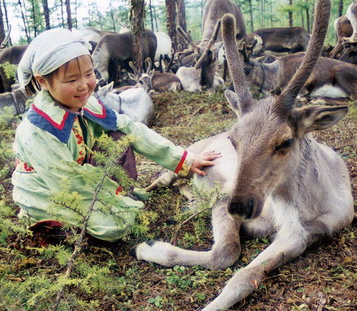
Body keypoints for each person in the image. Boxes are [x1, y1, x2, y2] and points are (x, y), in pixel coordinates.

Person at [12, 28, 221, 242]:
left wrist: (183, 159)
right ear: (43, 81)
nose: (84, 86)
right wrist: (117, 203)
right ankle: (51, 226)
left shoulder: (87, 103)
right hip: (51, 191)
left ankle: (112, 202)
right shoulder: (37, 130)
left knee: (119, 135)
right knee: (115, 225)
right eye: (71, 80)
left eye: (89, 74)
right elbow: (68, 181)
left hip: (83, 176)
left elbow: (131, 129)